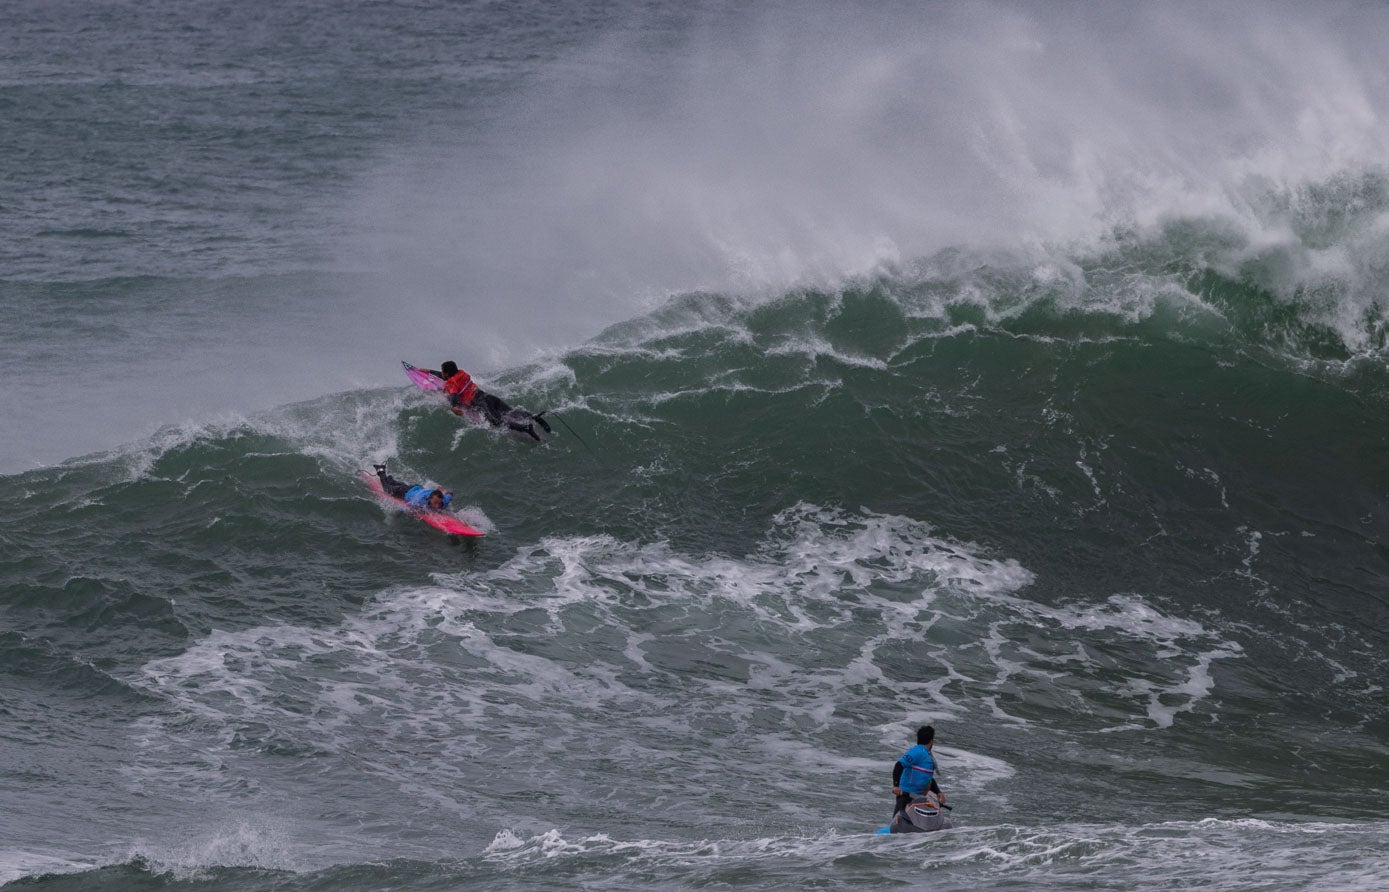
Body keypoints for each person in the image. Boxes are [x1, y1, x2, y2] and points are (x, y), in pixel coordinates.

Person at [425, 361, 550, 442]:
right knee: (510, 411)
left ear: (447, 374)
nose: (441, 373)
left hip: (482, 403)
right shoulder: (461, 373)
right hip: (489, 397)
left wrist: (453, 407)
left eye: (442, 372)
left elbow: (454, 395)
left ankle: (526, 428)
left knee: (497, 422)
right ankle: (534, 417)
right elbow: (448, 377)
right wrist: (430, 371)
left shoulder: (453, 383)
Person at [892, 725, 945, 818]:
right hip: (905, 797)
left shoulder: (928, 755)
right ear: (931, 741)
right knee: (899, 824)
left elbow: (927, 778)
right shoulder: (916, 751)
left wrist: (938, 792)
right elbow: (899, 765)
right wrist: (896, 785)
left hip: (919, 799)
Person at [373, 464, 452, 512]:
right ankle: (381, 471)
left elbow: (450, 495)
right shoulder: (419, 500)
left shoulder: (443, 501)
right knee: (387, 489)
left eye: (438, 503)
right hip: (404, 492)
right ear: (429, 499)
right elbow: (405, 506)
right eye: (435, 503)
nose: (437, 506)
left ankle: (390, 479)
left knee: (395, 484)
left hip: (414, 488)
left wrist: (445, 492)